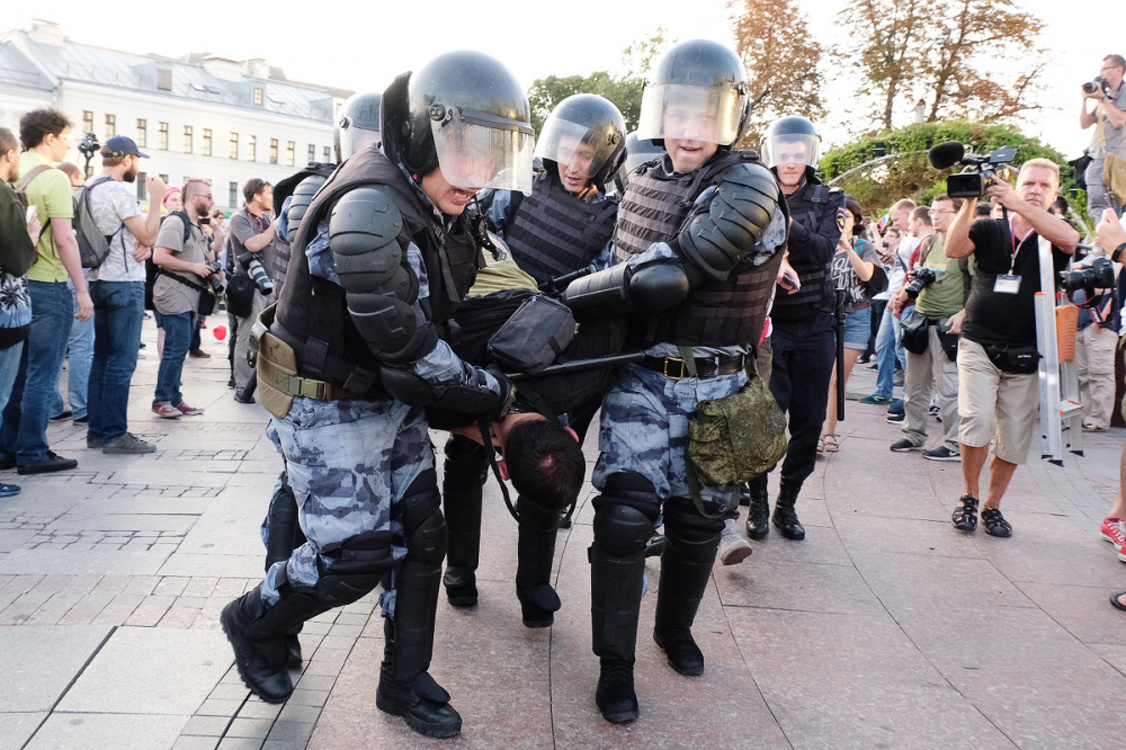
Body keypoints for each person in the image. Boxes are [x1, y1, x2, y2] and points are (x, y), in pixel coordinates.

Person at [220, 51, 533, 739]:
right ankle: (253, 619)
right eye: (463, 152)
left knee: (424, 535)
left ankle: (404, 681)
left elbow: (479, 293)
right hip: (327, 404)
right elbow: (412, 352)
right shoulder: (368, 210)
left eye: (489, 157)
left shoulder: (438, 201)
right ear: (424, 136)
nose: (475, 176)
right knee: (352, 555)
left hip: (386, 403)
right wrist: (497, 392)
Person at [561, 38, 786, 724]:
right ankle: (616, 669)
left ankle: (673, 630)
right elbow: (618, 253)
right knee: (625, 519)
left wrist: (568, 298)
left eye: (705, 117)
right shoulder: (641, 174)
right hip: (644, 377)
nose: (688, 132)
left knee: (698, 522)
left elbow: (667, 274)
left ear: (731, 118)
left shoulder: (749, 186)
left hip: (723, 385)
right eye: (677, 113)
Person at [441, 93, 626, 625]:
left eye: (586, 156)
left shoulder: (610, 218)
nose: (572, 164)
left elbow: (601, 284)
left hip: (554, 353)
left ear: (605, 160)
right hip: (487, 339)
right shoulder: (517, 191)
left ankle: (534, 585)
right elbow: (474, 238)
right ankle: (461, 568)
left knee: (543, 462)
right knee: (465, 454)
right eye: (567, 149)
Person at [944, 159, 1079, 537]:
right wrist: (970, 203)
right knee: (977, 419)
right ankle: (969, 495)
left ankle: (993, 505)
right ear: (1017, 183)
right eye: (1028, 183)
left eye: (1043, 185)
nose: (1035, 189)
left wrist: (1019, 204)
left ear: (1054, 193)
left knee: (1015, 436)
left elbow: (1070, 240)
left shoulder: (1052, 233)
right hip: (979, 341)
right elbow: (955, 248)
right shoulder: (990, 228)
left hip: (1029, 350)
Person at [743, 115, 842, 542]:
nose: (790, 161)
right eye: (783, 153)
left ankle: (788, 503)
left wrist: (782, 219)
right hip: (770, 326)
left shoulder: (827, 199)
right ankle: (759, 501)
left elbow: (821, 252)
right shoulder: (752, 194)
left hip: (816, 325)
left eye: (798, 154)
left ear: (809, 155)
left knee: (809, 421)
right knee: (765, 418)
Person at [0, 108, 93, 476]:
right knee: (44, 371)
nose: (69, 145)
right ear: (50, 137)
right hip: (48, 282)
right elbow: (66, 239)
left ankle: (8, 446)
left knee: (17, 373)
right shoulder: (53, 177)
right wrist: (82, 291)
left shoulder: (13, 168)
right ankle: (34, 450)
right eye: (66, 138)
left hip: (15, 287)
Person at [85, 136, 169, 454]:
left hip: (97, 279)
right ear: (126, 160)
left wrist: (144, 244)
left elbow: (134, 237)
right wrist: (157, 198)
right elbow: (148, 233)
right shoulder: (119, 191)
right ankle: (115, 434)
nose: (138, 167)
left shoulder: (90, 187)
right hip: (124, 282)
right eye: (137, 160)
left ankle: (97, 431)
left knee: (101, 359)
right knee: (121, 361)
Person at [888, 195, 969, 461]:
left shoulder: (965, 245)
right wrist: (903, 292)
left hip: (949, 324)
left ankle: (955, 443)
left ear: (957, 214)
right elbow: (915, 272)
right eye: (933, 211)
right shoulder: (928, 242)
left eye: (943, 211)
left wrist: (964, 314)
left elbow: (977, 283)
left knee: (949, 388)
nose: (935, 216)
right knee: (915, 384)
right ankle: (913, 434)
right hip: (921, 320)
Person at [818, 195, 886, 453]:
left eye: (846, 216)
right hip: (823, 315)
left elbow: (868, 275)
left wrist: (847, 247)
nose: (841, 220)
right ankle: (813, 432)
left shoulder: (862, 246)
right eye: (836, 215)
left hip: (855, 316)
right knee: (819, 377)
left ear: (856, 220)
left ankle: (830, 432)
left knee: (837, 380)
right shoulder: (821, 244)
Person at [0, 127, 43, 497]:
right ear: (11, 154)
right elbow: (17, 260)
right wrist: (30, 234)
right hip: (5, 311)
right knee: (0, 393)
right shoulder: (4, 194)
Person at [151, 179, 216, 418]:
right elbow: (159, 256)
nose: (211, 201)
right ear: (193, 198)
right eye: (207, 196)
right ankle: (162, 400)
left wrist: (206, 269)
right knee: (175, 349)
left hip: (189, 294)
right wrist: (194, 267)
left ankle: (174, 398)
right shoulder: (176, 222)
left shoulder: (196, 226)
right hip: (173, 293)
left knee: (179, 348)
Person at [48, 162, 93, 425]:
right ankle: (82, 406)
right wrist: (82, 289)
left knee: (53, 348)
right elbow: (69, 241)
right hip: (74, 276)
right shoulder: (74, 204)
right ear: (73, 179)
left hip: (49, 278)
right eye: (81, 178)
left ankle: (53, 405)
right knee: (81, 346)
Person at [861, 199, 916, 406]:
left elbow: (914, 270)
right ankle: (883, 390)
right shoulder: (906, 238)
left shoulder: (916, 239)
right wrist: (892, 261)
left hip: (904, 298)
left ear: (909, 214)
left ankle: (908, 397)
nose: (895, 223)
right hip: (892, 295)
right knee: (883, 344)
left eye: (896, 218)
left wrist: (902, 294)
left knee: (902, 348)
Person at [227, 178, 277, 401]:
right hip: (248, 286)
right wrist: (274, 226)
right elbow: (253, 245)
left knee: (270, 338)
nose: (271, 198)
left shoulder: (265, 219)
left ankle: (264, 383)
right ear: (256, 196)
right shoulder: (239, 219)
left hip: (269, 287)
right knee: (247, 337)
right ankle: (243, 388)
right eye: (268, 193)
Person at [1079, 55, 1126, 218]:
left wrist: (1103, 98)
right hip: (1099, 158)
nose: (1101, 74)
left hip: (1118, 160)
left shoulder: (1122, 92)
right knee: (1099, 207)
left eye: (1105, 69)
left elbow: (1119, 120)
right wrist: (1085, 100)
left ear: (1118, 70)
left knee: (1114, 208)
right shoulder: (1105, 96)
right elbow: (1085, 124)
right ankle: (1106, 239)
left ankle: (1111, 240)